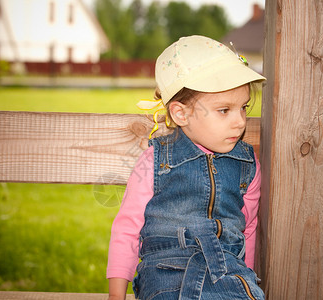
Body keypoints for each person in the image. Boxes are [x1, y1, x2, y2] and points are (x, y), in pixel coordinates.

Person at [107, 35, 266, 300]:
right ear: (181, 114)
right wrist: (116, 296)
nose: (240, 122)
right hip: (166, 275)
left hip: (229, 275)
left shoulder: (247, 165)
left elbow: (248, 228)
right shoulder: (156, 161)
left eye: (243, 108)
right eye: (225, 110)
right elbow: (128, 228)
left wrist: (245, 283)